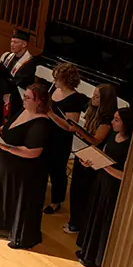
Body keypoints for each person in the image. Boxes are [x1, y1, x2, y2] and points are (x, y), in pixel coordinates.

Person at [0, 84, 52, 250]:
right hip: (8, 166)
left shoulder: (41, 123)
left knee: (18, 201)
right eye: (25, 96)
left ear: (39, 101)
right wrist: (1, 130)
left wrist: (7, 148)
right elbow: (14, 128)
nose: (24, 99)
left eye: (28, 98)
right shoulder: (24, 110)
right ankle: (2, 226)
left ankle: (18, 235)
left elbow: (33, 152)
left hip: (24, 172)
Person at [76, 108, 133, 267]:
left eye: (116, 120)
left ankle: (97, 258)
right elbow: (102, 153)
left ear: (126, 124)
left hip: (113, 189)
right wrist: (91, 161)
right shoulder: (112, 135)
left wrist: (105, 166)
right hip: (101, 183)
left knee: (104, 222)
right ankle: (87, 251)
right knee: (94, 216)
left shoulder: (130, 147)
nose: (112, 122)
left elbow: (126, 176)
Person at [64, 84, 117, 234]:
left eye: (97, 97)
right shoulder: (92, 111)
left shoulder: (106, 120)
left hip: (93, 158)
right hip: (83, 152)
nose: (93, 98)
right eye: (93, 95)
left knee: (83, 192)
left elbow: (96, 141)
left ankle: (79, 224)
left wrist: (78, 130)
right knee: (75, 189)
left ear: (105, 100)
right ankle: (73, 220)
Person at [0, 29, 36, 170]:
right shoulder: (9, 57)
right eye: (11, 41)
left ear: (24, 44)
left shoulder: (29, 63)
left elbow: (16, 83)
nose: (12, 44)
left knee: (8, 128)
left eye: (16, 42)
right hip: (3, 96)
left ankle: (5, 161)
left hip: (16, 101)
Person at [45, 64, 87, 214]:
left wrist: (50, 113)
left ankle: (56, 201)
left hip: (60, 139)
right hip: (46, 133)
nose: (54, 80)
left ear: (66, 80)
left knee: (57, 170)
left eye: (57, 78)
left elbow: (70, 127)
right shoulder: (55, 90)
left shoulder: (75, 99)